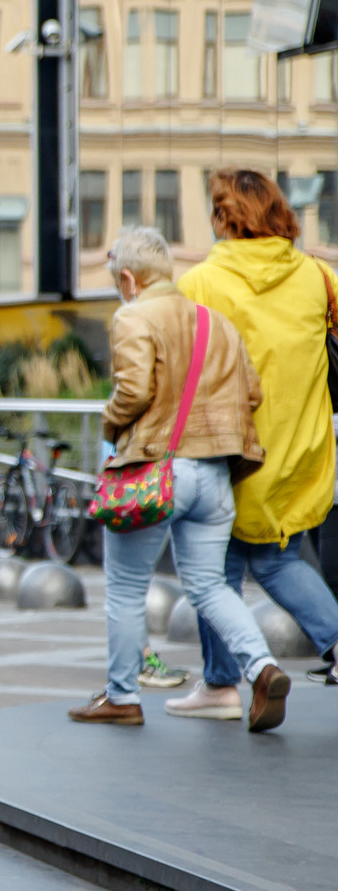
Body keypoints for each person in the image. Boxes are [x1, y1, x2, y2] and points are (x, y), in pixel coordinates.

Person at [72, 227, 292, 732]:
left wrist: (109, 422)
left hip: (155, 471)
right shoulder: (218, 323)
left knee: (127, 588)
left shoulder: (133, 316)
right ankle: (262, 668)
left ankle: (123, 696)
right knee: (212, 586)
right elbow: (251, 394)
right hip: (214, 474)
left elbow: (132, 390)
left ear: (128, 279)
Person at [172, 170, 338, 710]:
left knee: (213, 565)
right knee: (276, 557)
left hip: (230, 447)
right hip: (300, 446)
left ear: (225, 218)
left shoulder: (200, 282)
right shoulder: (318, 276)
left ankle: (221, 684)